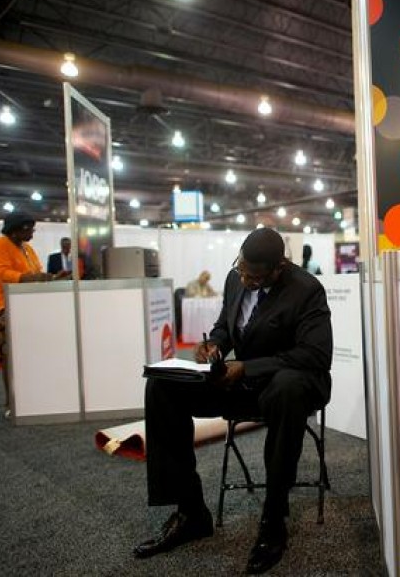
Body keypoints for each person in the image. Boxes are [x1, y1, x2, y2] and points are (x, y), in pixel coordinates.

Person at [134, 227, 332, 574]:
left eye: (253, 276)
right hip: (241, 382)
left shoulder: (306, 290)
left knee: (288, 389)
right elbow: (227, 325)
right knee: (162, 387)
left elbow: (315, 355)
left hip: (288, 384)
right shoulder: (234, 278)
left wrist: (248, 367)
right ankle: (191, 511)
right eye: (241, 269)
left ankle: (274, 517)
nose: (244, 278)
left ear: (278, 268)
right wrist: (216, 346)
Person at [0, 212, 69, 414]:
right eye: (30, 228)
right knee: (10, 357)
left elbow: (36, 271)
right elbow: (3, 274)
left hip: (27, 307)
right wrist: (31, 278)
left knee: (29, 355)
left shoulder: (27, 249)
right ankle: (11, 403)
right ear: (17, 229)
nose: (33, 232)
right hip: (2, 307)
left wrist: (51, 277)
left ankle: (31, 398)